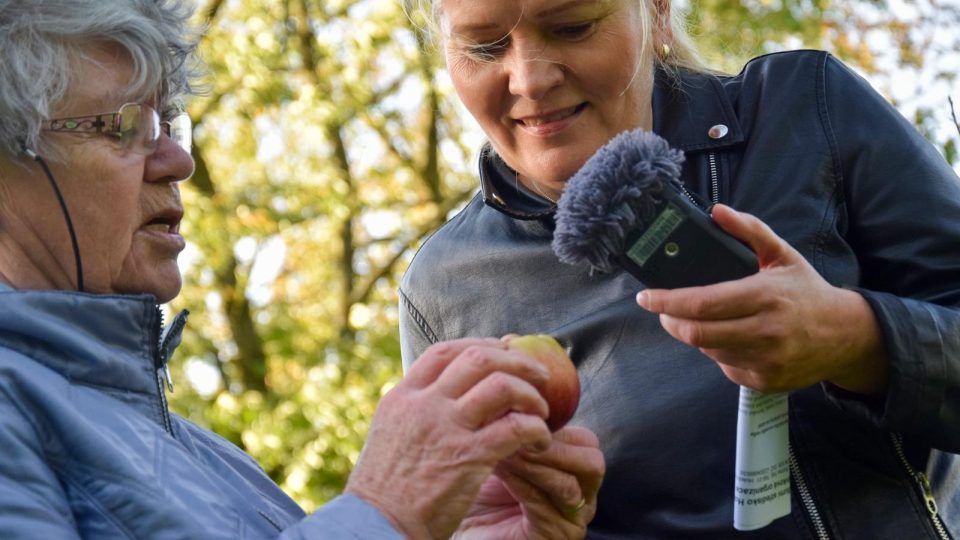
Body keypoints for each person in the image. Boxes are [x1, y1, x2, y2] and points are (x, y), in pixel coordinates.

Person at [0, 1, 605, 538]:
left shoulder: (208, 459)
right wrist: (386, 514)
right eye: (127, 126)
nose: (179, 161)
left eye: (169, 124)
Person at [398, 0, 960, 537]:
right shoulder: (445, 288)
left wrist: (857, 341)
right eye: (485, 46)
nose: (529, 79)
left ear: (658, 13)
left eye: (572, 28)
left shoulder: (805, 112)